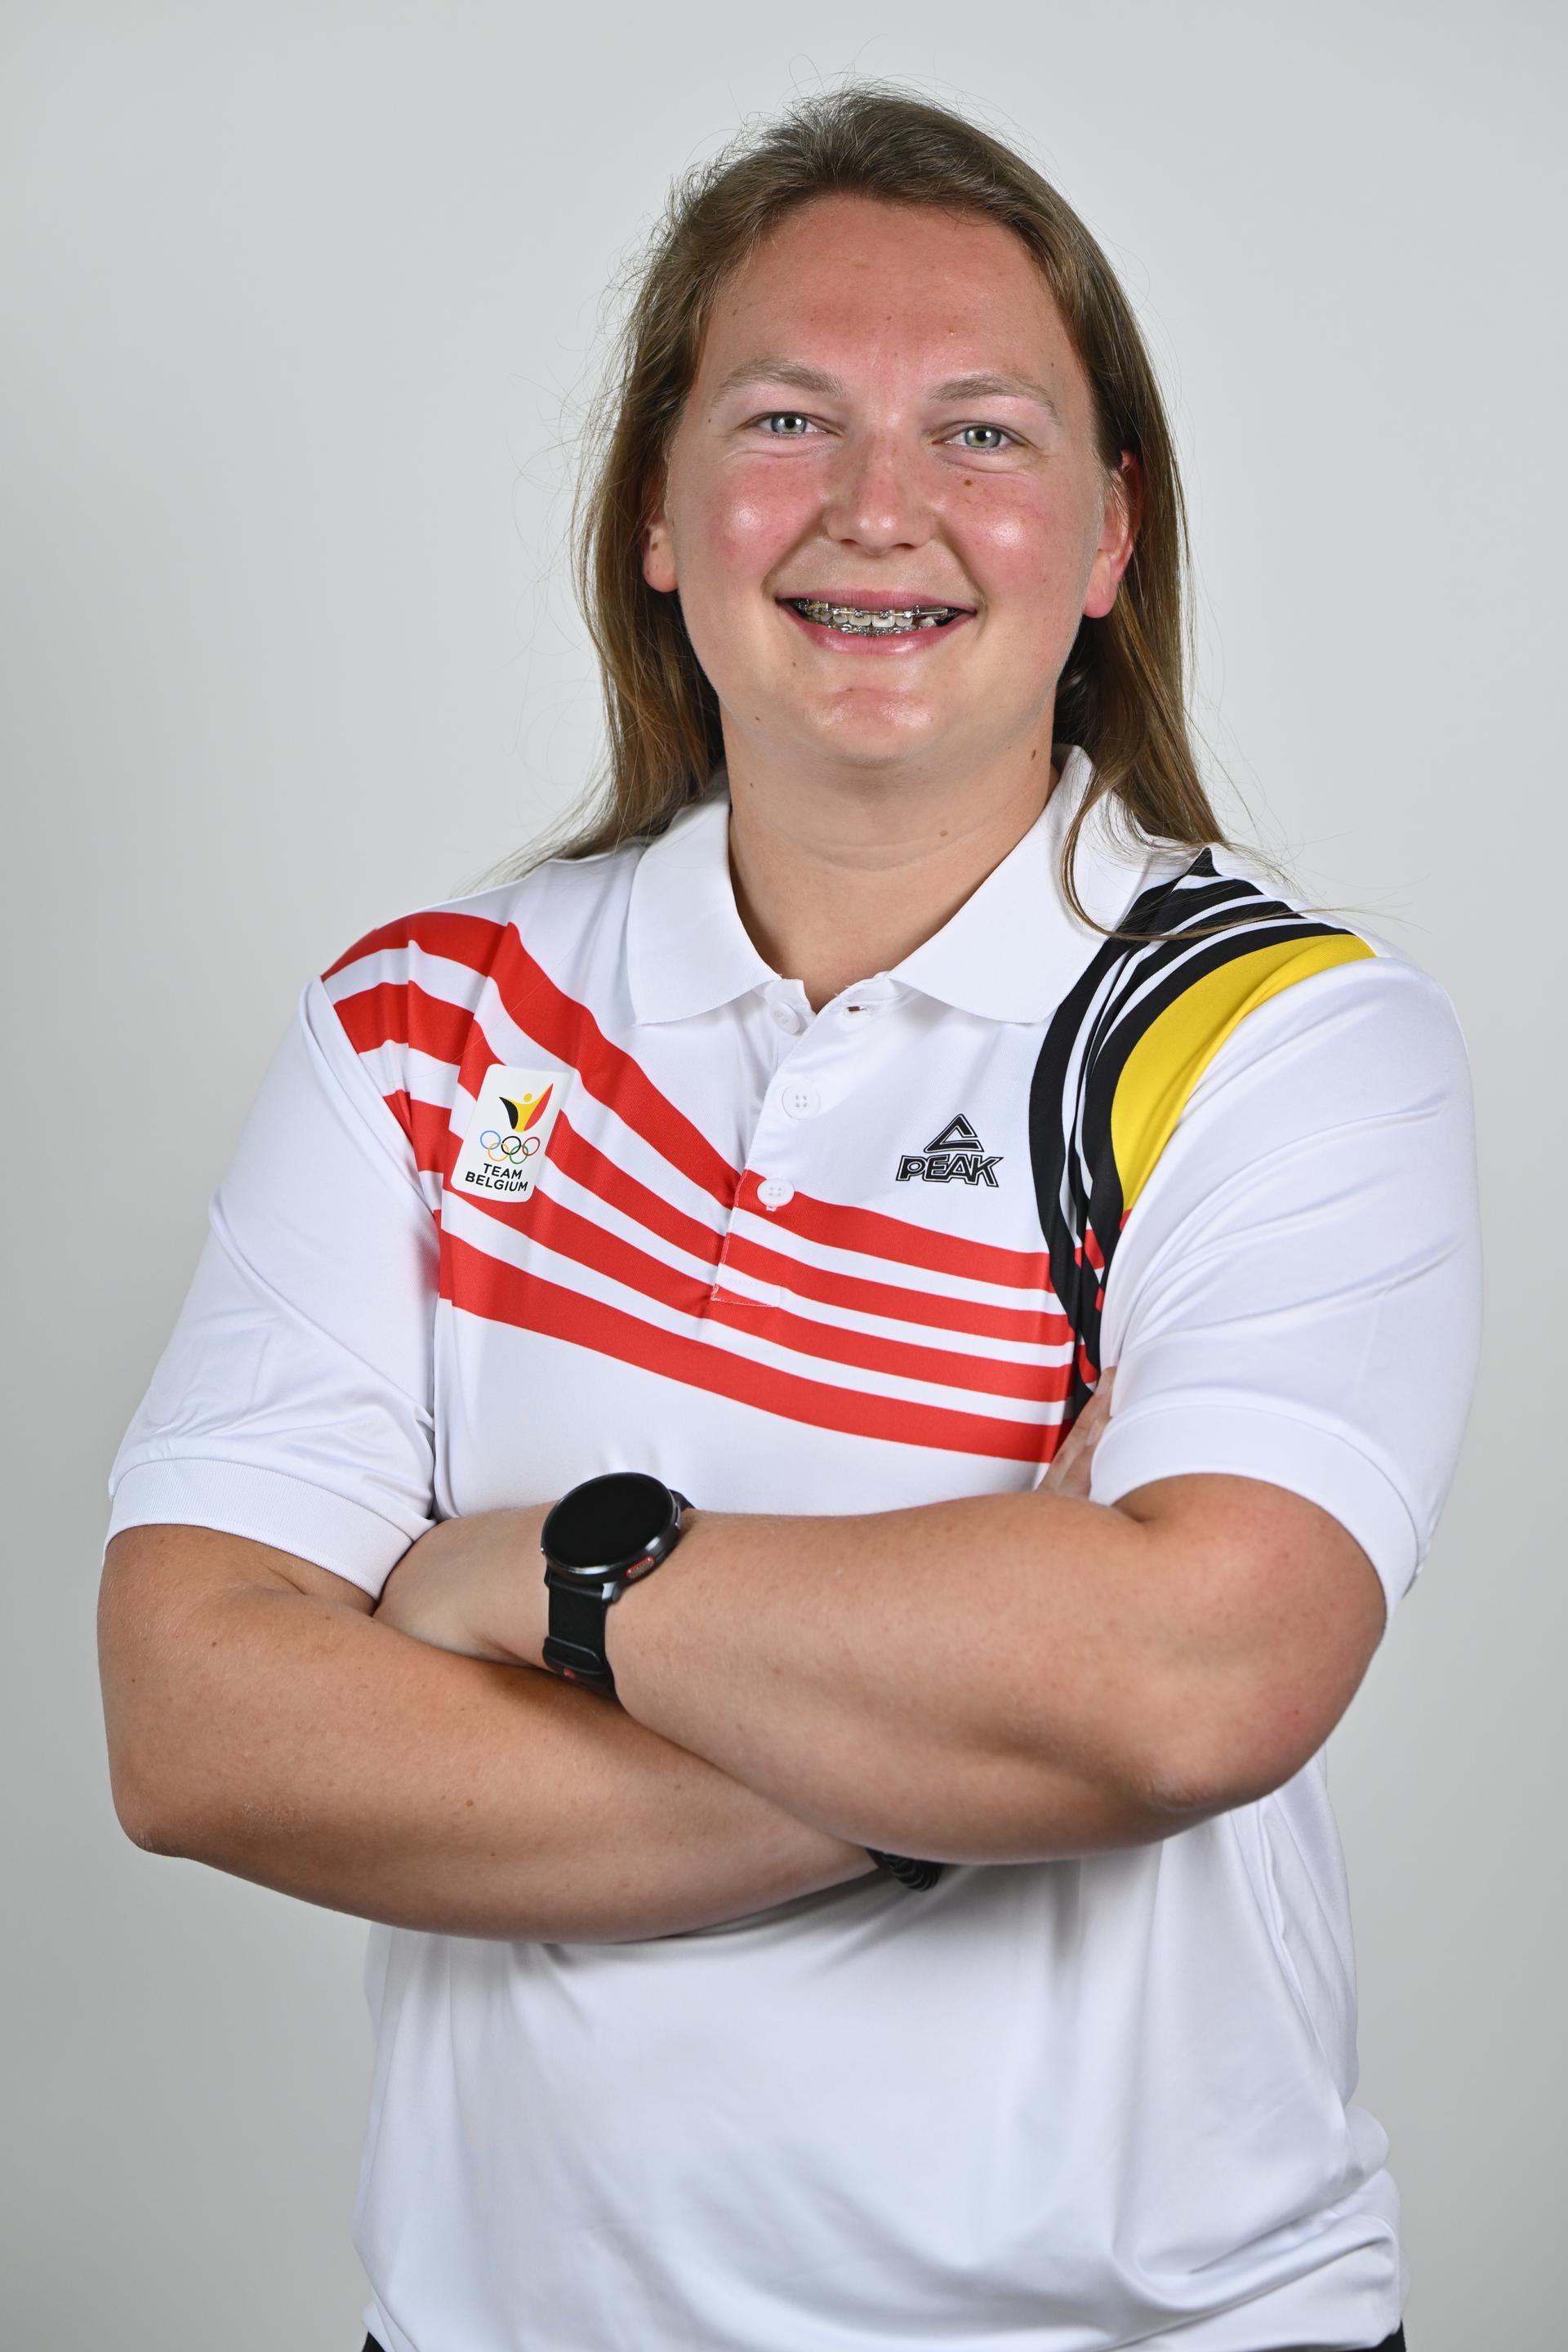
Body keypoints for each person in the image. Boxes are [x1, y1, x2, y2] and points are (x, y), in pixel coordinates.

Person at [96, 82, 1478, 2352]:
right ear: (658, 506)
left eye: (985, 434)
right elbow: (196, 1725)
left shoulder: (1286, 1044)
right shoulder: (427, 1027)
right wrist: (946, 1778)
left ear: (1113, 531)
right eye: (785, 418)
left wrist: (535, 1582)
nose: (877, 512)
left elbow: (1193, 1679)